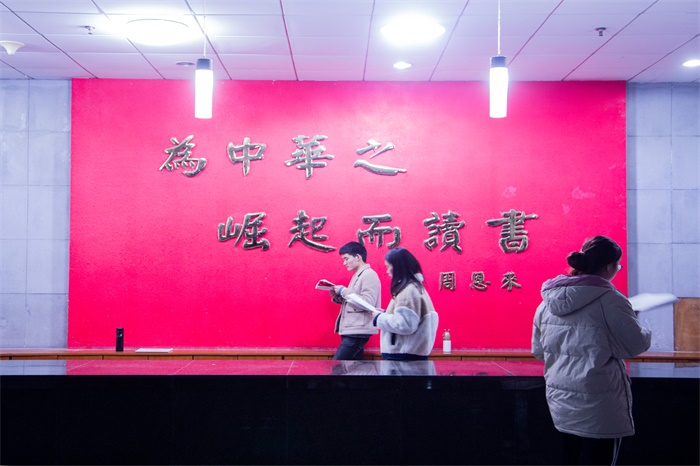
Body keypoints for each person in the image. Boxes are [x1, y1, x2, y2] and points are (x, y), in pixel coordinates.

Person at [532, 236, 652, 466]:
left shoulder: (546, 302)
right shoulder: (611, 300)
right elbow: (635, 344)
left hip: (561, 404)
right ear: (609, 267)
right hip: (600, 407)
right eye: (618, 266)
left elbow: (539, 351)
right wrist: (636, 323)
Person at [368, 248, 438, 360]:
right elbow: (410, 319)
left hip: (402, 357)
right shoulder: (415, 287)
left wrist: (379, 318)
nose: (387, 271)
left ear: (398, 267)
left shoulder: (407, 291)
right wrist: (386, 313)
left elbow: (405, 325)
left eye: (388, 266)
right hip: (410, 355)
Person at [329, 241, 381, 360]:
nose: (344, 263)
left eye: (346, 259)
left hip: (357, 332)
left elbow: (368, 303)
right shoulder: (359, 275)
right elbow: (355, 301)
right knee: (353, 368)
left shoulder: (369, 275)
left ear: (357, 257)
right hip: (354, 330)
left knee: (337, 366)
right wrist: (339, 296)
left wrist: (344, 291)